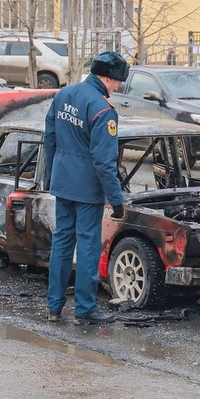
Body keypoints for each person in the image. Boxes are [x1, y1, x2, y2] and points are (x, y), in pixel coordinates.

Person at [44, 51, 130, 325]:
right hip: (87, 190)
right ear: (107, 78)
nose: (117, 88)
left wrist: (50, 178)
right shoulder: (104, 110)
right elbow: (105, 162)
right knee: (89, 246)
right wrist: (116, 200)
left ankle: (54, 308)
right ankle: (84, 310)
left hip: (63, 183)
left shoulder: (63, 95)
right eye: (117, 82)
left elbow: (50, 139)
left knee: (61, 243)